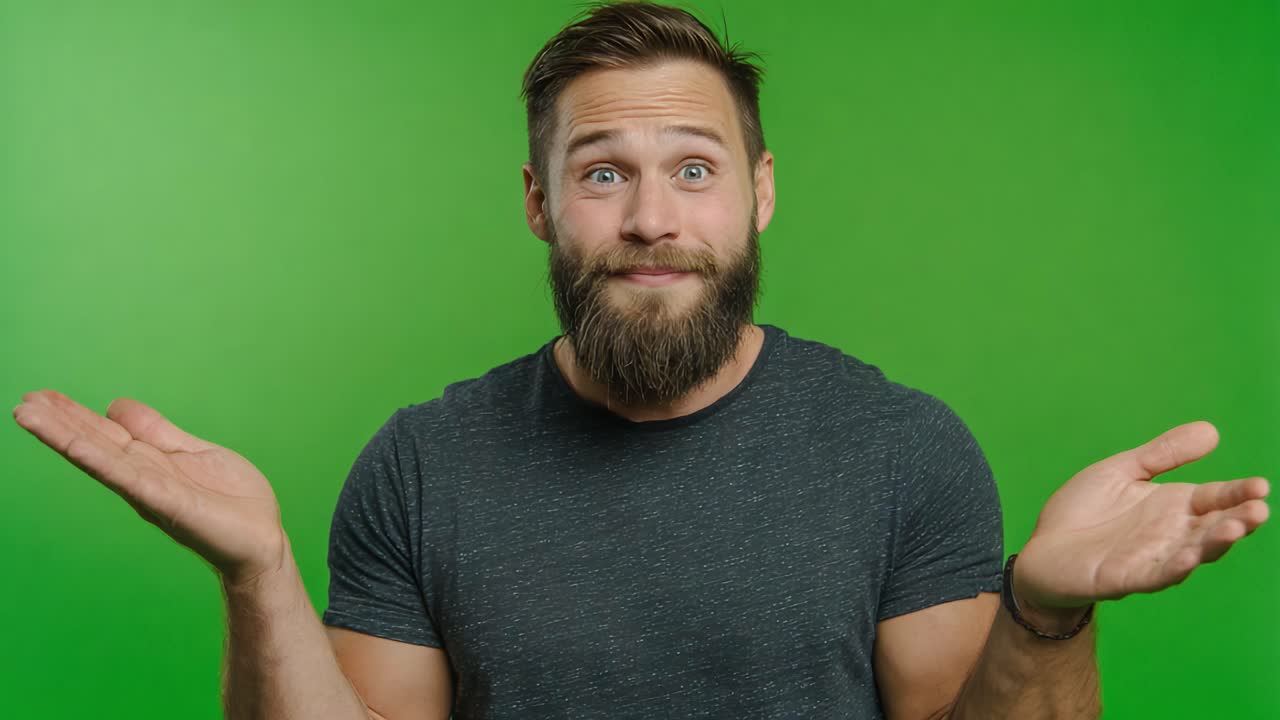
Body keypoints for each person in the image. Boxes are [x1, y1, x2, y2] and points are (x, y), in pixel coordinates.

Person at [12, 2, 1270, 719]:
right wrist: (260, 574)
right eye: (603, 172)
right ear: (537, 202)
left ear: (759, 193)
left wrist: (1045, 616)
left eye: (694, 169)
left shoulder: (900, 447)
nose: (653, 219)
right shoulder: (420, 463)